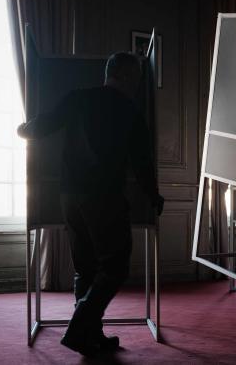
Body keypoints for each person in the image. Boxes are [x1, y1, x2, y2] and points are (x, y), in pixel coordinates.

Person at [17, 52, 164, 355]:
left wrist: (22, 129)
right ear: (123, 75)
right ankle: (80, 327)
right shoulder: (130, 111)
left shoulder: (78, 98)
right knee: (115, 267)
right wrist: (153, 195)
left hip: (69, 195)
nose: (138, 83)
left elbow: (42, 127)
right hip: (105, 197)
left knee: (85, 269)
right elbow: (142, 163)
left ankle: (91, 336)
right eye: (136, 77)